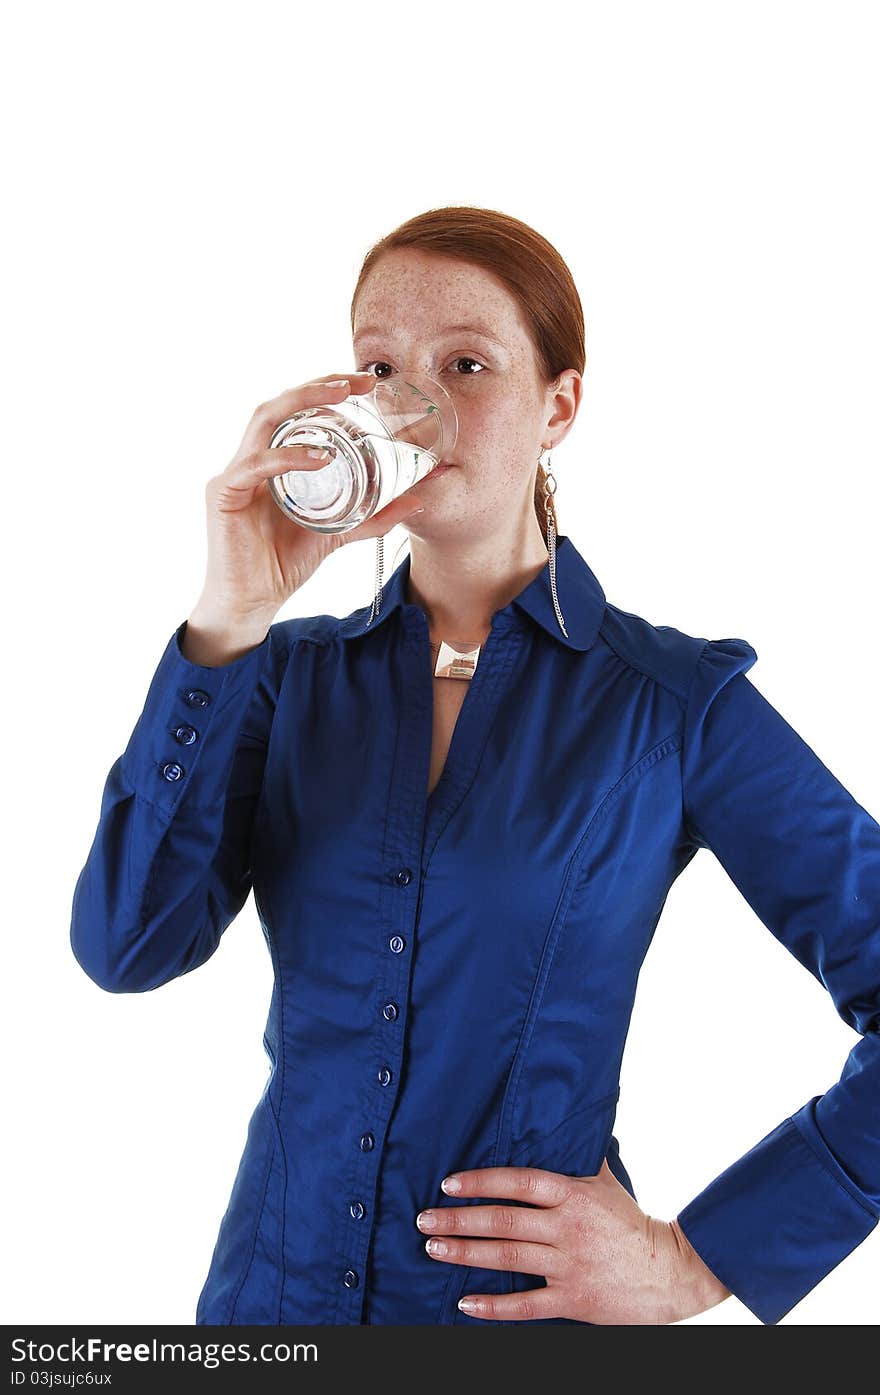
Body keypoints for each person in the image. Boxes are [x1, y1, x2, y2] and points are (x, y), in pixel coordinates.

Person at [69, 206, 879, 1327]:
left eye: (467, 364)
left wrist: (699, 1257)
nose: (418, 403)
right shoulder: (277, 675)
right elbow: (126, 948)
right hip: (265, 1317)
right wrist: (228, 618)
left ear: (559, 406)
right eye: (380, 366)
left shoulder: (673, 706)